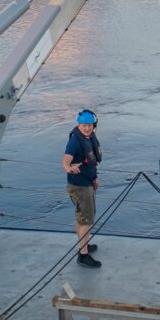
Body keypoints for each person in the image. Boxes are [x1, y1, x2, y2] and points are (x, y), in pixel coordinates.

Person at [62, 109, 104, 267]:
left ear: (94, 126)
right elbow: (65, 161)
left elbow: (91, 160)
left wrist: (95, 177)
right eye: (84, 125)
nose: (87, 128)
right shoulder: (75, 141)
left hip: (87, 182)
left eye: (90, 125)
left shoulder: (90, 136)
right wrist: (69, 168)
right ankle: (83, 255)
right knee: (86, 219)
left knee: (82, 217)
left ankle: (83, 245)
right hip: (79, 185)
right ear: (78, 125)